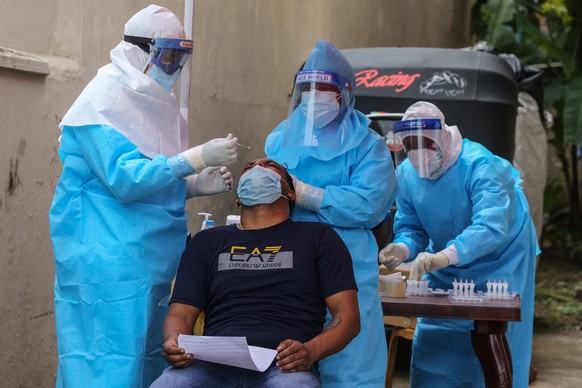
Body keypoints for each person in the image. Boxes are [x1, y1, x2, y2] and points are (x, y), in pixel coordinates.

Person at [48, 5, 238, 387]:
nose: (173, 67)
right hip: (106, 260)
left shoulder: (157, 106)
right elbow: (124, 179)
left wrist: (193, 185)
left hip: (151, 262)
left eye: (180, 57)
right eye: (167, 56)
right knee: (105, 362)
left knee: (149, 357)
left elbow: (155, 180)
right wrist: (195, 158)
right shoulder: (100, 104)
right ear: (139, 50)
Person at [150, 158, 361, 387]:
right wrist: (175, 342)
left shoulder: (319, 237)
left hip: (284, 368)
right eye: (249, 168)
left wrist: (310, 351)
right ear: (239, 196)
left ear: (291, 193)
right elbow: (180, 314)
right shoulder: (207, 242)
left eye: (270, 166)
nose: (258, 167)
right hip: (210, 364)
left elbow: (347, 316)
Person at [264, 40, 399, 387]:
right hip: (290, 264)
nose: (314, 96)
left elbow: (369, 205)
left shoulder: (369, 145)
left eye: (324, 88)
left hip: (347, 264)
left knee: (350, 358)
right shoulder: (281, 137)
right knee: (288, 360)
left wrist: (307, 194)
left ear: (344, 93)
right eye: (307, 88)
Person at [379, 101, 537, 387]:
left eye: (423, 143)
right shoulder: (407, 174)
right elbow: (412, 226)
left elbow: (490, 228)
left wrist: (442, 257)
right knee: (437, 329)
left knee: (492, 325)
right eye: (409, 145)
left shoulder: (479, 165)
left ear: (441, 136)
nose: (417, 153)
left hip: (502, 257)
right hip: (446, 256)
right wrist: (402, 248)